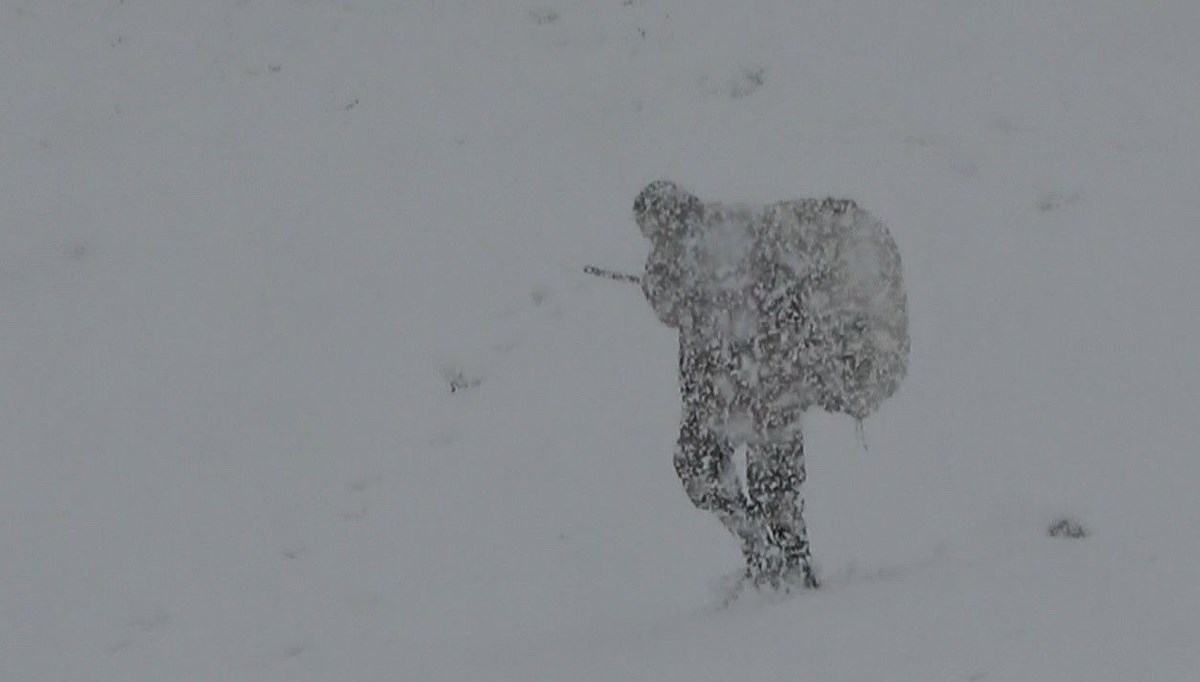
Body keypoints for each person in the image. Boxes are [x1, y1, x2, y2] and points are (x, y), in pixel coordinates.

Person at [634, 180, 908, 591]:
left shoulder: (698, 247)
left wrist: (660, 288)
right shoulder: (733, 235)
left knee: (718, 469)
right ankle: (780, 560)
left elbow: (678, 305)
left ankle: (772, 559)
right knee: (759, 480)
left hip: (745, 386)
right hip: (764, 384)